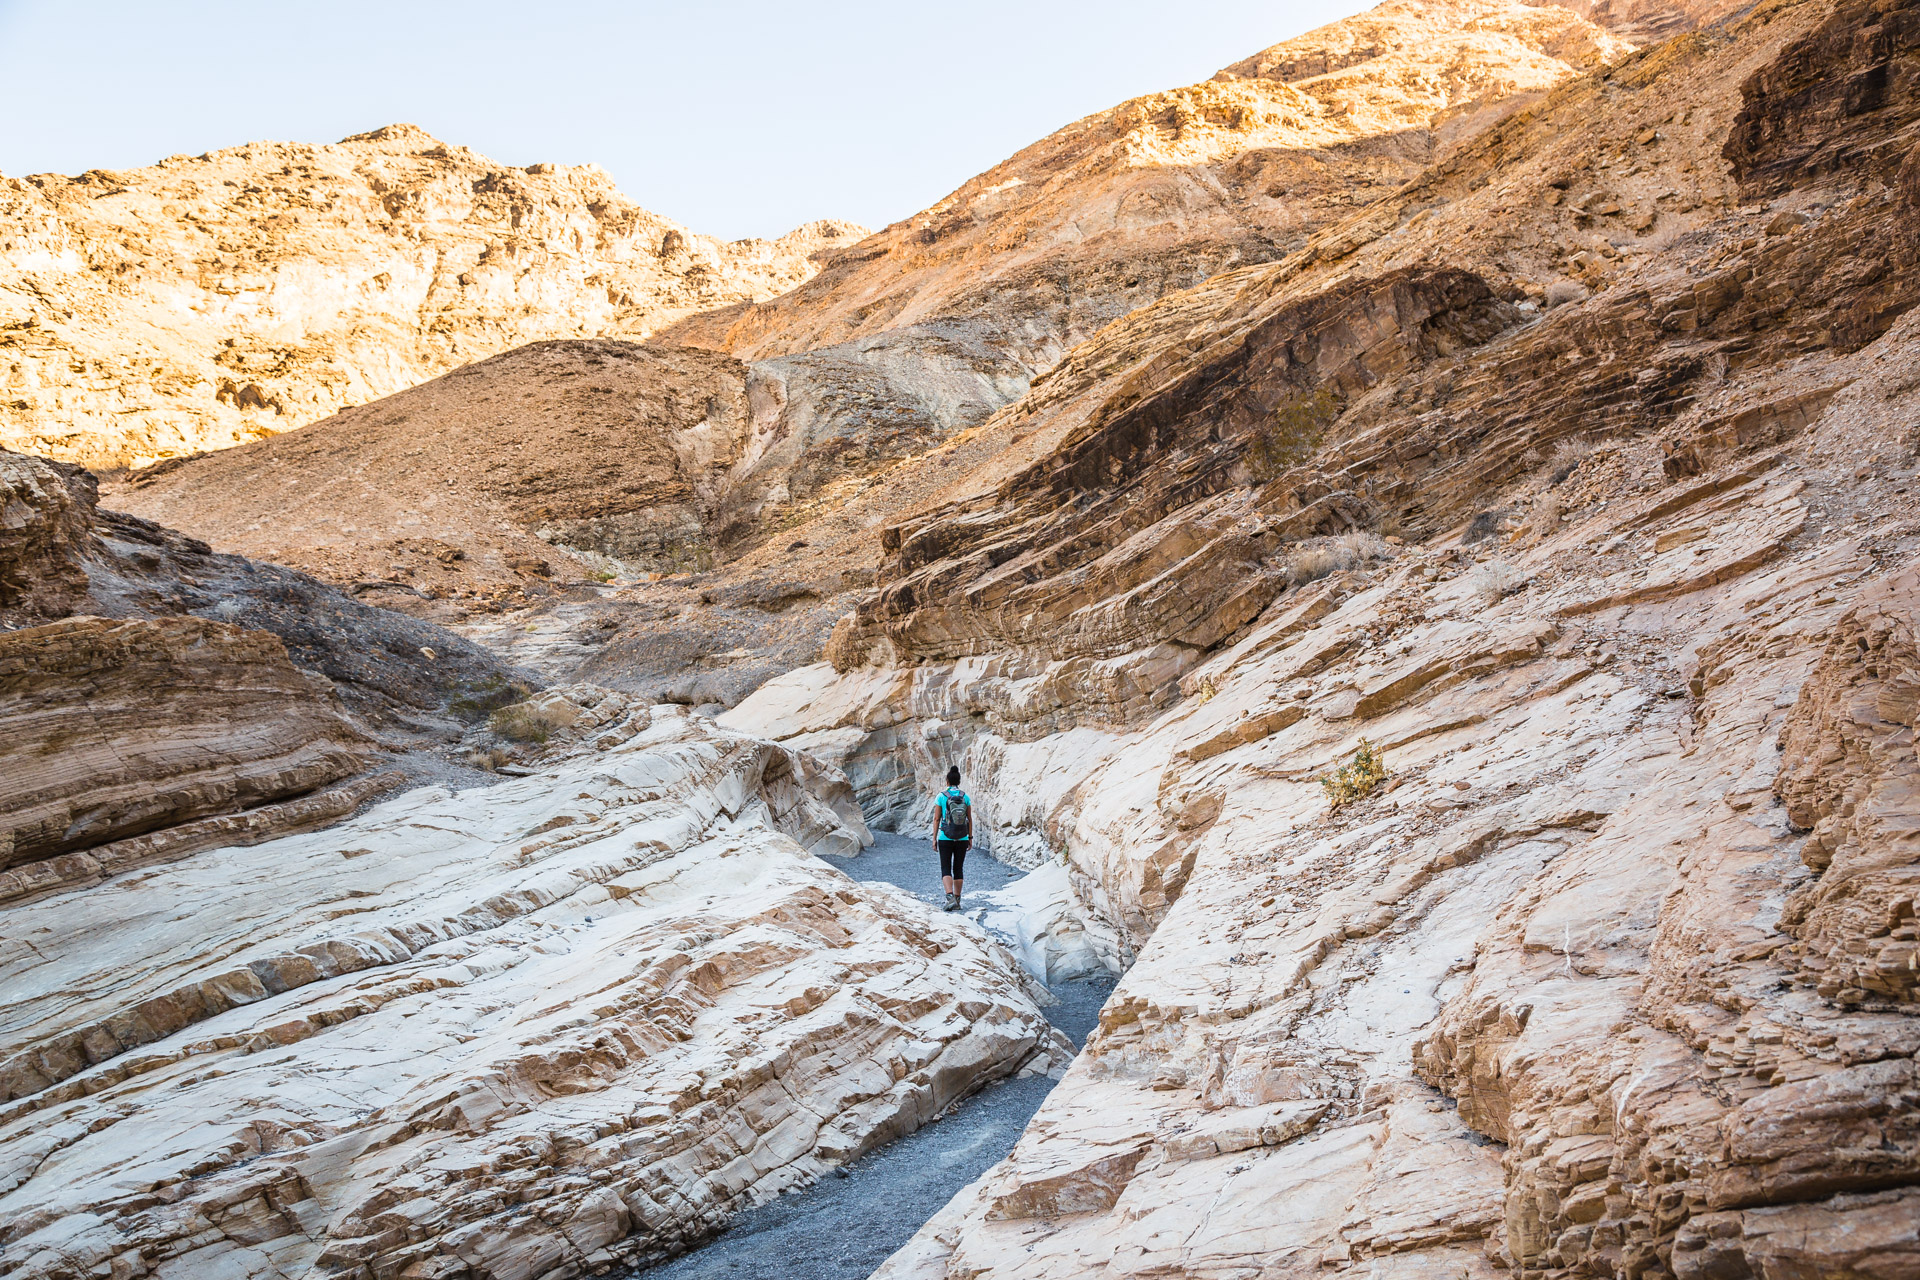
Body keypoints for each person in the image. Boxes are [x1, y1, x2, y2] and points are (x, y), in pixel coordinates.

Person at [931, 765, 972, 912]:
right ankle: (958, 900)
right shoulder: (965, 796)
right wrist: (970, 838)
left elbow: (936, 819)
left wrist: (934, 838)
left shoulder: (941, 796)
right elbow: (969, 819)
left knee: (945, 867)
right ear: (959, 781)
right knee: (958, 868)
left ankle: (950, 898)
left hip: (945, 837)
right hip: (962, 837)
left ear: (947, 781)